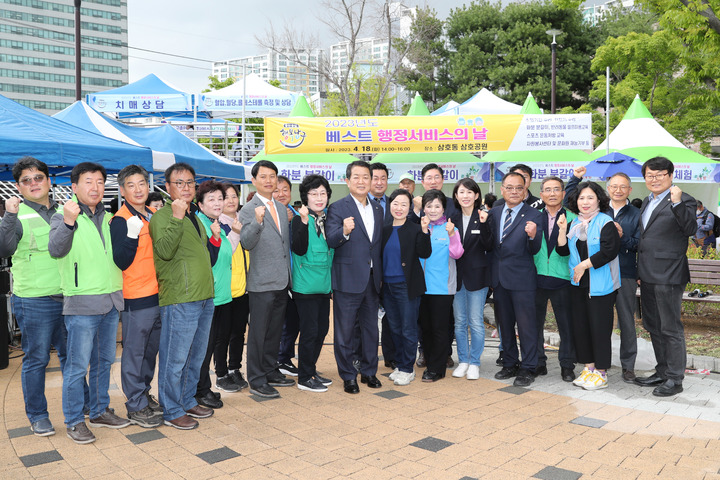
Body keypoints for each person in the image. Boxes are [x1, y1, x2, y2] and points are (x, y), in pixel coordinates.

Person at [49, 162, 130, 444]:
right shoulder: (63, 215)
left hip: (110, 300)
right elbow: (56, 249)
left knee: (103, 361)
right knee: (76, 366)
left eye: (99, 181)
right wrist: (69, 221)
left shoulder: (110, 218)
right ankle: (73, 421)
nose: (95, 187)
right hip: (82, 303)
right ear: (74, 187)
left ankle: (98, 410)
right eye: (88, 181)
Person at [0, 157, 67, 437]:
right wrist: (9, 216)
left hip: (69, 298)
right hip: (34, 301)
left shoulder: (66, 210)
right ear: (19, 186)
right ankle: (38, 415)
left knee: (72, 358)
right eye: (26, 180)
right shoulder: (15, 215)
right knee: (37, 360)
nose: (34, 184)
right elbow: (4, 249)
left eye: (38, 177)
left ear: (49, 180)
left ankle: (83, 405)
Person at [149, 163, 217, 430]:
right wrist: (176, 217)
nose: (186, 187)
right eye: (179, 182)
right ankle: (171, 408)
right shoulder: (163, 216)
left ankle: (187, 399)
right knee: (174, 358)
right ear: (167, 187)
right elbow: (164, 251)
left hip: (203, 297)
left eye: (190, 182)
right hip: (180, 298)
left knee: (195, 356)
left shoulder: (195, 216)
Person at [567, 167, 641, 383]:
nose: (618, 190)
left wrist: (620, 239)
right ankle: (589, 368)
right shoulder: (579, 221)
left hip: (617, 275)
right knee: (583, 326)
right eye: (614, 186)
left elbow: (622, 247)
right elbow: (572, 195)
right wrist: (576, 177)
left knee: (620, 323)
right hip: (583, 283)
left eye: (622, 186)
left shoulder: (630, 215)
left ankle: (621, 368)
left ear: (629, 189)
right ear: (608, 190)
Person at [634, 157, 696, 397]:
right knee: (653, 326)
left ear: (671, 176)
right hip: (647, 274)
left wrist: (678, 202)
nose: (655, 179)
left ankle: (675, 379)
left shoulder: (683, 199)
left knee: (670, 328)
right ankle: (662, 371)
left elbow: (690, 229)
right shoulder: (647, 201)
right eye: (650, 175)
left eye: (660, 174)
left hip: (669, 274)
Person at [110, 165, 163, 428]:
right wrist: (131, 234)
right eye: (131, 185)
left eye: (142, 183)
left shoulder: (154, 214)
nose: (138, 189)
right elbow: (120, 260)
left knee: (150, 353)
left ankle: (143, 394)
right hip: (136, 297)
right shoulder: (120, 220)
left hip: (159, 295)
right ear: (122, 190)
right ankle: (135, 405)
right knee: (134, 354)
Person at [326, 160, 384, 394]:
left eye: (366, 177)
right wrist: (344, 231)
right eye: (356, 177)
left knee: (371, 329)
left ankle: (369, 372)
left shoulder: (378, 209)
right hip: (347, 279)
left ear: (371, 181)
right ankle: (348, 375)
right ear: (347, 181)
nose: (362, 181)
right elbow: (331, 239)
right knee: (345, 331)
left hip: (372, 279)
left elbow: (376, 246)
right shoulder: (338, 208)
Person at [239, 160, 294, 398]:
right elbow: (246, 242)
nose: (269, 181)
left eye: (272, 176)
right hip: (261, 282)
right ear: (254, 181)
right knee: (259, 333)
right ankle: (257, 378)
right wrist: (258, 222)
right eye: (263, 177)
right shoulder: (248, 209)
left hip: (282, 280)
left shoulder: (281, 208)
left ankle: (271, 370)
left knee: (274, 331)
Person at [488, 172, 543, 387]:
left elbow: (535, 248)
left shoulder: (534, 215)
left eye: (518, 188)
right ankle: (509, 363)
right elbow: (491, 245)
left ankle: (529, 367)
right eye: (509, 187)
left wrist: (532, 236)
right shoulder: (494, 213)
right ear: (502, 190)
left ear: (525, 190)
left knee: (526, 326)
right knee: (505, 325)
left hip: (522, 280)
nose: (514, 191)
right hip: (499, 279)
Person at [565, 181, 621, 391]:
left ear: (599, 199)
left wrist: (584, 265)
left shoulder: (606, 222)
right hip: (578, 284)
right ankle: (589, 368)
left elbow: (610, 250)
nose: (585, 202)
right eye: (581, 198)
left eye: (590, 197)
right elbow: (566, 251)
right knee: (581, 328)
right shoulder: (574, 224)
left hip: (601, 285)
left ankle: (602, 372)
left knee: (599, 329)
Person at [382, 189, 432, 386]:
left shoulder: (415, 228)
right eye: (395, 203)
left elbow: (424, 252)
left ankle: (407, 368)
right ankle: (401, 363)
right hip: (387, 286)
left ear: (410, 207)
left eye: (404, 204)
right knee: (394, 327)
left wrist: (425, 231)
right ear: (390, 205)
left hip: (406, 286)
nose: (399, 208)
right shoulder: (384, 229)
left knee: (408, 328)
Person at [291, 175, 334, 392]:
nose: (319, 198)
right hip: (305, 285)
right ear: (305, 197)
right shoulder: (299, 219)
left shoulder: (329, 219)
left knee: (322, 330)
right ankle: (304, 377)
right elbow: (298, 248)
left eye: (323, 193)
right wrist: (305, 221)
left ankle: (311, 369)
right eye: (314, 194)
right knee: (309, 331)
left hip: (324, 285)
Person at [195, 181, 236, 409]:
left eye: (219, 198)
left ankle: (204, 387)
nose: (218, 203)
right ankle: (200, 390)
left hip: (222, 295)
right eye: (211, 199)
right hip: (207, 296)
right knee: (204, 348)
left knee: (212, 345)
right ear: (200, 204)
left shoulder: (217, 223)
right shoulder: (201, 225)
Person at [533, 176, 577, 382]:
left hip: (563, 279)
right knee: (534, 324)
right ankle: (538, 362)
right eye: (547, 190)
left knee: (566, 325)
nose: (552, 193)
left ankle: (567, 365)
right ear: (541, 194)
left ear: (563, 193)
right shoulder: (532, 217)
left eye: (556, 189)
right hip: (536, 278)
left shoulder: (574, 219)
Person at [418, 190, 463, 382]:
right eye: (429, 206)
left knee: (439, 329)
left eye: (437, 206)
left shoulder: (450, 228)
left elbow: (457, 253)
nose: (433, 210)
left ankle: (437, 368)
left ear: (444, 208)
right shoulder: (420, 227)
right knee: (425, 328)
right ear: (423, 208)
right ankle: (430, 361)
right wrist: (422, 231)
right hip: (421, 288)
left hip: (442, 289)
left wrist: (452, 234)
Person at [450, 178, 492, 380]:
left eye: (469, 192)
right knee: (459, 322)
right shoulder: (452, 218)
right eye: (461, 192)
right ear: (456, 196)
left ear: (476, 195)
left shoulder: (484, 216)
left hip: (478, 277)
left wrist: (484, 224)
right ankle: (463, 360)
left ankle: (475, 362)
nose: (465, 196)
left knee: (475, 322)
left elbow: (489, 245)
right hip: (457, 278)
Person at [215, 184, 250, 392]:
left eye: (233, 196)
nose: (230, 201)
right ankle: (220, 374)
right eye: (224, 197)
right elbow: (223, 253)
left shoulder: (242, 221)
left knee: (239, 332)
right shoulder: (217, 225)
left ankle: (234, 368)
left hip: (243, 288)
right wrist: (235, 232)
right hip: (225, 290)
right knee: (222, 334)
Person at [368, 162, 396, 370]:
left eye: (383, 178)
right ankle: (363, 356)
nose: (379, 182)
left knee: (391, 315)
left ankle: (391, 355)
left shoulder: (395, 203)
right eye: (375, 178)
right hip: (366, 272)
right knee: (365, 318)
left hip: (391, 270)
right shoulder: (360, 205)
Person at [274, 175, 300, 377]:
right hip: (277, 278)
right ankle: (278, 359)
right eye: (277, 190)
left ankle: (284, 357)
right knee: (280, 323)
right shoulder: (268, 214)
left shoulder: (296, 214)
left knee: (293, 321)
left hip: (296, 278)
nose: (281, 194)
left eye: (285, 190)